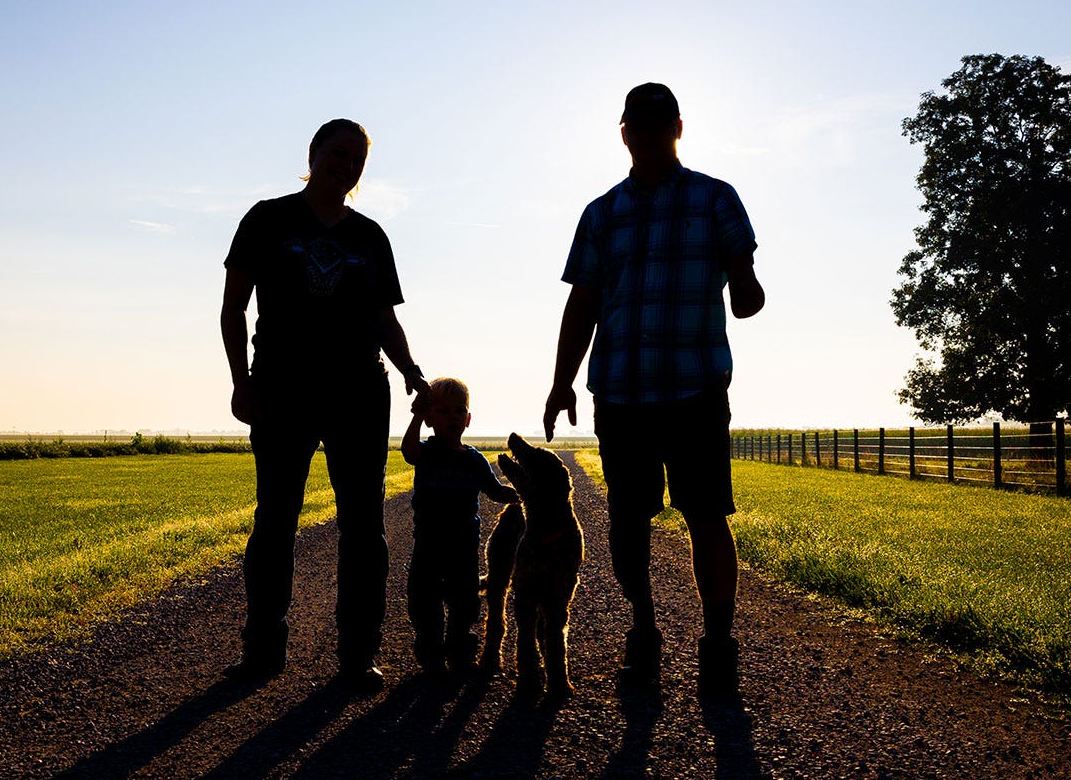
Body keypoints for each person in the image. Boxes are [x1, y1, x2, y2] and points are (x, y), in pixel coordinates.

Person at [542, 83, 765, 694]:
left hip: (694, 390)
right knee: (627, 521)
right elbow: (581, 302)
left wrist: (747, 290)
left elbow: (747, 289)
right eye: (636, 123)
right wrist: (561, 382)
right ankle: (645, 630)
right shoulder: (601, 213)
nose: (646, 132)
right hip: (620, 392)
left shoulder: (715, 199)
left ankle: (718, 643)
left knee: (708, 516)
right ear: (623, 132)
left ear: (678, 128)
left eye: (658, 122)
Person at [221, 118, 427, 692]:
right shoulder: (268, 219)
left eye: (357, 158)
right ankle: (262, 652)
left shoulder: (370, 236)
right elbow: (233, 307)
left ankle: (357, 658)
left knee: (364, 527)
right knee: (275, 520)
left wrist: (412, 371)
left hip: (359, 391)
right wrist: (242, 382)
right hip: (283, 388)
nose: (347, 165)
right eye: (338, 153)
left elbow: (385, 317)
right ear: (313, 153)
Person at [400, 377, 517, 676]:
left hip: (464, 545)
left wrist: (515, 495)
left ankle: (460, 652)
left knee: (464, 602)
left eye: (458, 411)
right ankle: (431, 653)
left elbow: (493, 490)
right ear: (429, 418)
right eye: (442, 411)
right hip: (428, 542)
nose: (452, 417)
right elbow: (408, 450)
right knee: (425, 602)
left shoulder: (475, 460)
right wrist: (415, 415)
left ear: (467, 419)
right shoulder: (427, 453)